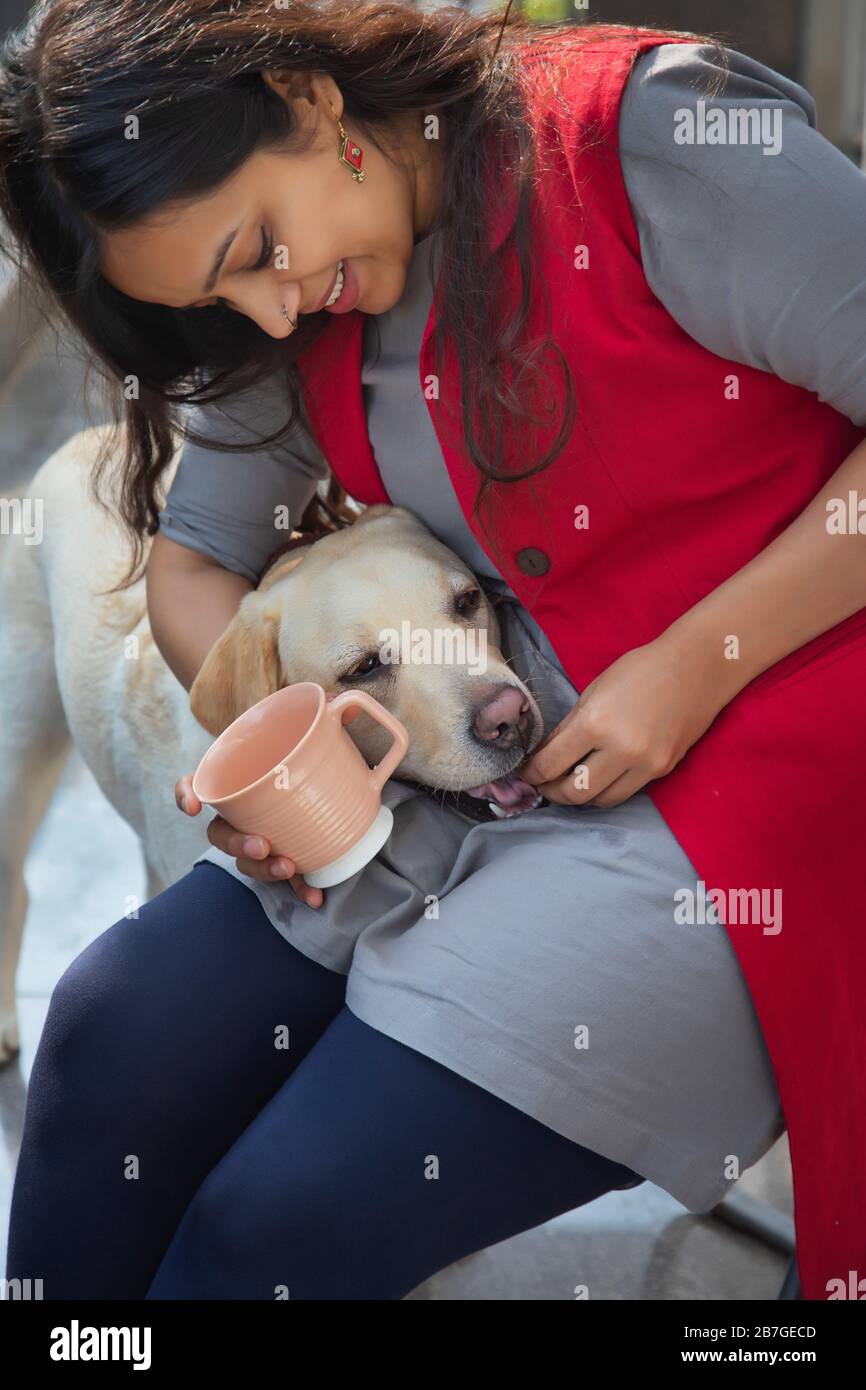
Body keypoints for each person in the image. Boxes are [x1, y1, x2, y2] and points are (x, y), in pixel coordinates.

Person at [2, 1, 865, 1300]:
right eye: (219, 294)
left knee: (272, 1225)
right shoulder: (293, 301)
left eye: (261, 249)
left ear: (306, 96)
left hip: (772, 793)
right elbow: (192, 566)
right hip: (476, 768)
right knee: (115, 1031)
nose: (272, 311)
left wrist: (696, 659)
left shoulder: (653, 139)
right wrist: (285, 750)